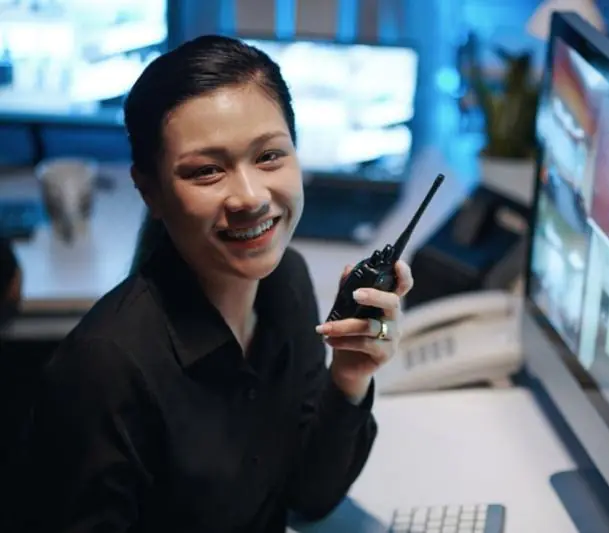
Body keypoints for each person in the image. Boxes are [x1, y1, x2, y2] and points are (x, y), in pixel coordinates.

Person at [11, 35, 413, 533]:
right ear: (150, 190)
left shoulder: (287, 282)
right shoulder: (105, 369)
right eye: (206, 171)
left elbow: (308, 495)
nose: (250, 197)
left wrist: (349, 377)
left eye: (269, 156)